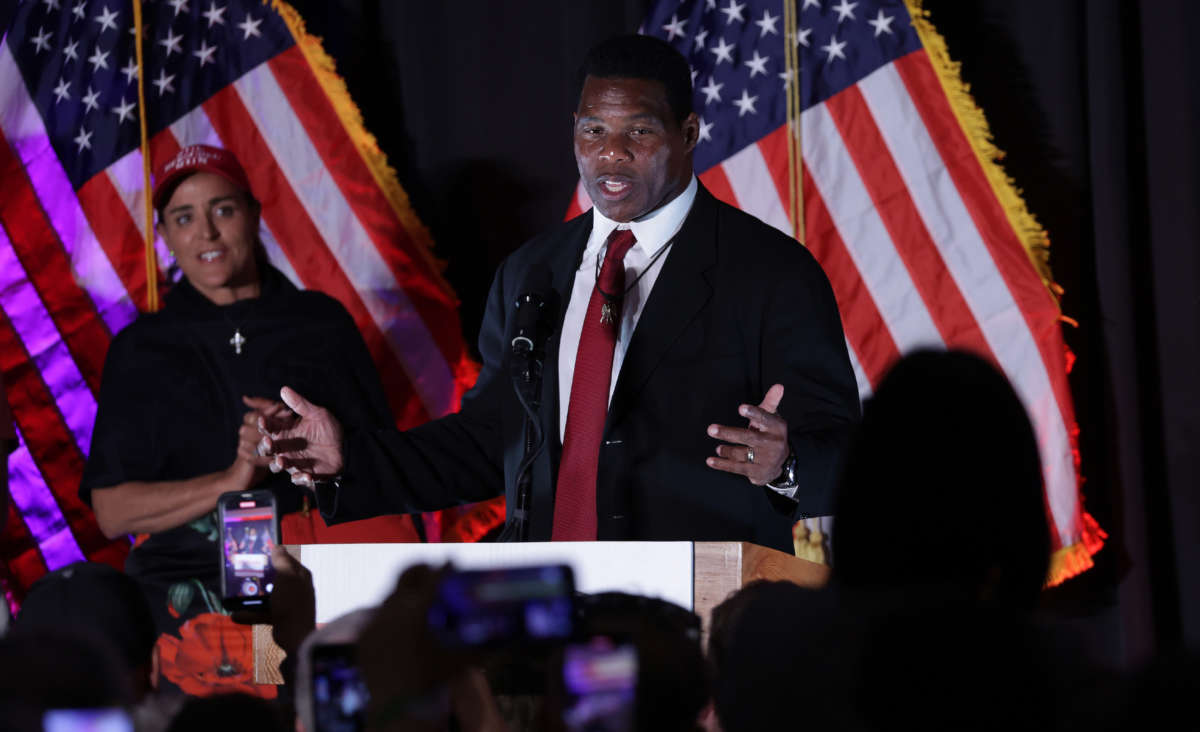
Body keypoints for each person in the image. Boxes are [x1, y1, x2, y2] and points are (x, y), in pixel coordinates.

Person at [266, 35, 859, 551]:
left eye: (640, 131)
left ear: (688, 133)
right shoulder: (532, 271)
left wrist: (786, 465)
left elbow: (847, 456)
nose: (611, 152)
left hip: (704, 602)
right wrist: (351, 459)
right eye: (593, 130)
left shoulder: (773, 272)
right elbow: (488, 443)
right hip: (553, 599)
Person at [79, 144, 396, 697]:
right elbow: (111, 513)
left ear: (253, 213)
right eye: (184, 218)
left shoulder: (321, 323)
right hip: (195, 593)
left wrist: (315, 443)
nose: (206, 234)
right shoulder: (141, 349)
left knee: (323, 713)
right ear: (165, 236)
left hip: (320, 568)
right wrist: (232, 479)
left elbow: (389, 469)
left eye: (222, 210)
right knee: (236, 723)